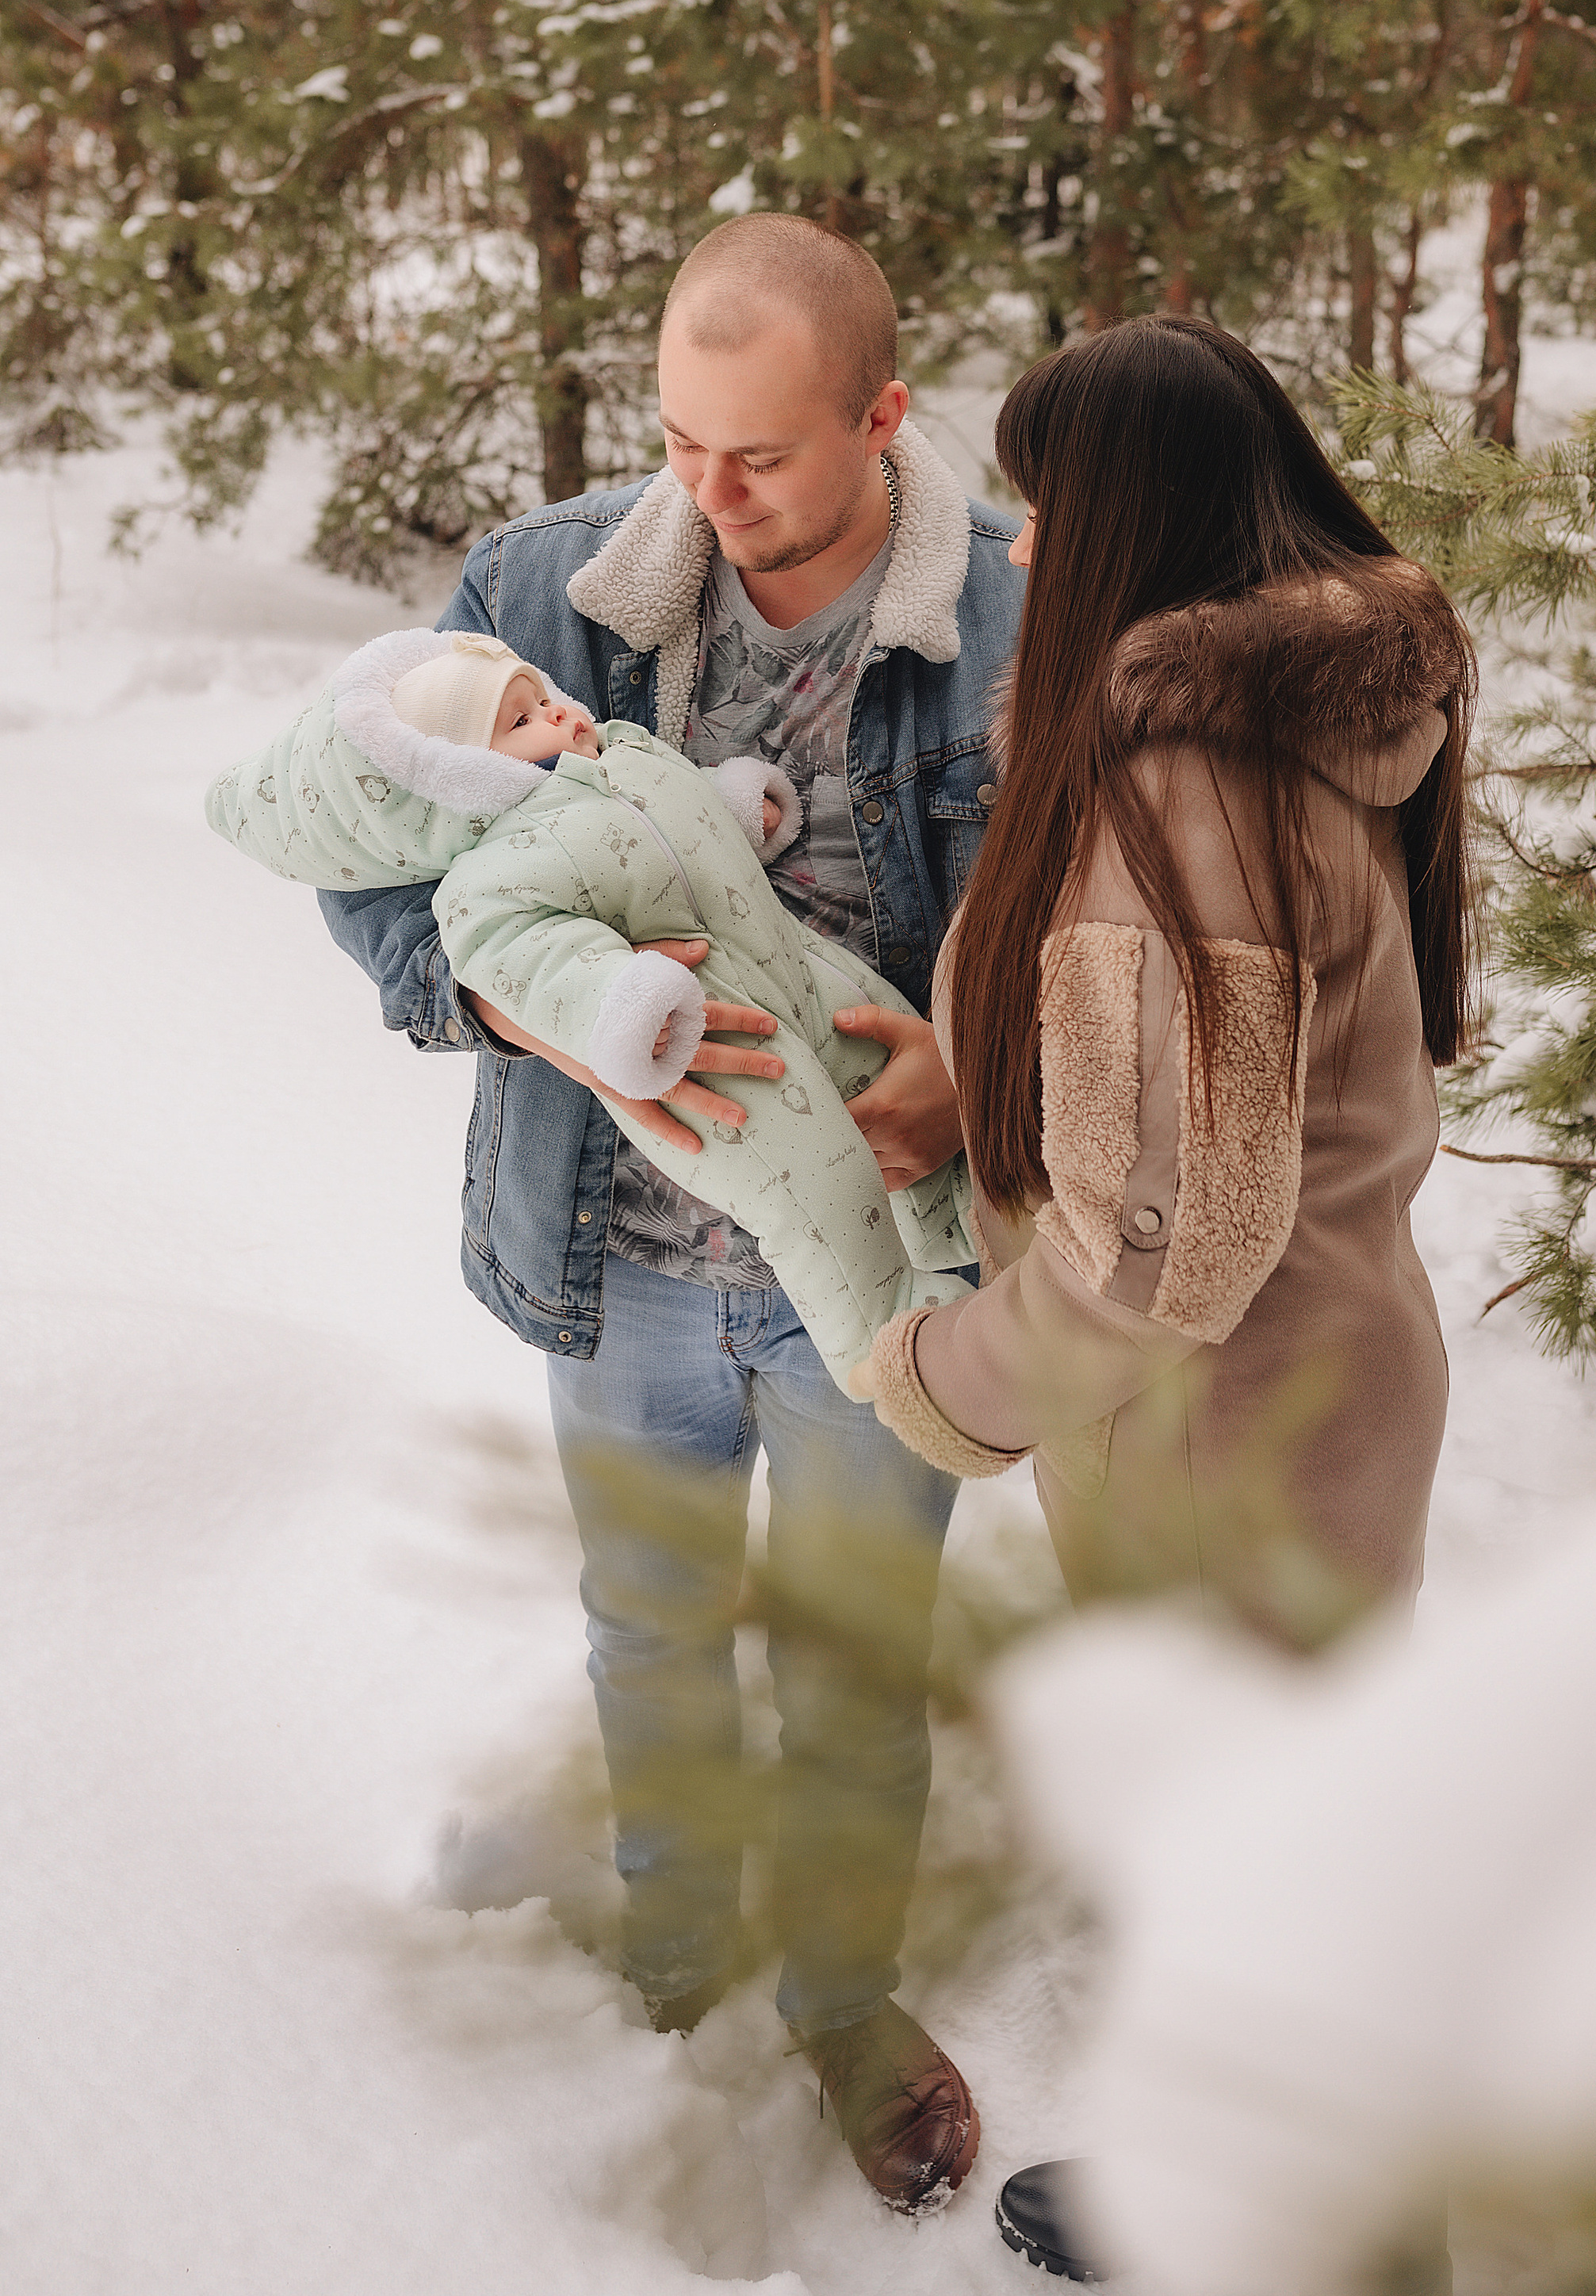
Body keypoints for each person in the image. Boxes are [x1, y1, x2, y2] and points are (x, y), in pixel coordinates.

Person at [318, 215, 1021, 2212]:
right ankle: (667, 1950)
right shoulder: (544, 584)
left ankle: (841, 1997)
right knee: (644, 1630)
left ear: (881, 418)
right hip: (607, 1253)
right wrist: (521, 1009)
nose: (701, 498)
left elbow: (1084, 921)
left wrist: (982, 1074)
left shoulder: (1002, 622)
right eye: (676, 440)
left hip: (873, 1275)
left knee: (851, 1662)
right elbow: (366, 854)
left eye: (761, 457)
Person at [851, 314, 1476, 2279]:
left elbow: (1158, 1245)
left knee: (1242, 1848)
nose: (1021, 552)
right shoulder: (1308, 719)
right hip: (1323, 1373)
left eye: (1041, 508)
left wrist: (943, 1374)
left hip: (1215, 1419)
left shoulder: (1185, 793)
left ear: (1130, 523)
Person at [208, 627, 977, 1378]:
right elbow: (523, 960)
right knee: (813, 1169)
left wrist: (734, 811)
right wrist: (617, 1006)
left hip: (795, 964)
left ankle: (958, 1216)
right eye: (520, 721)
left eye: (541, 695)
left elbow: (671, 834)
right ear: (454, 776)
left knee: (883, 1035)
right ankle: (877, 1331)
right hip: (716, 1046)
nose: (558, 713)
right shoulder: (496, 873)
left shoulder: (621, 757)